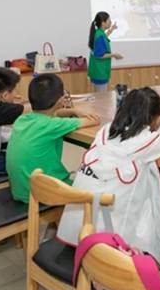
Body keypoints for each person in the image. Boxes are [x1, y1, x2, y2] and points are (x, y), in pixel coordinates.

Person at [57, 87, 160, 268]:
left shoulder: (106, 131)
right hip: (104, 244)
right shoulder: (146, 142)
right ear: (157, 118)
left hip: (75, 230)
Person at [6, 74, 101, 202]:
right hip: (42, 195)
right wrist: (80, 112)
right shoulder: (54, 125)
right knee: (94, 188)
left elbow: (53, 114)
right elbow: (93, 120)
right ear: (61, 100)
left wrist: (73, 111)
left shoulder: (22, 119)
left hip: (21, 191)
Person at [88, 11, 123, 92]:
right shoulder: (99, 36)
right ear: (103, 23)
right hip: (100, 72)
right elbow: (99, 55)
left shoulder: (99, 33)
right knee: (101, 97)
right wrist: (114, 55)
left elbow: (104, 38)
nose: (110, 22)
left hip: (98, 71)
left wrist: (112, 29)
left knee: (99, 96)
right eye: (109, 20)